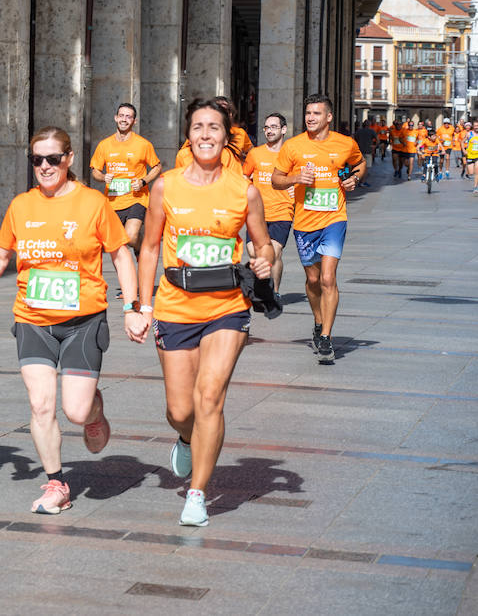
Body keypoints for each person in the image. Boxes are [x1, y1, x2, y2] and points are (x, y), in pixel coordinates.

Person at [0, 126, 138, 516]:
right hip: (32, 319)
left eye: (52, 158)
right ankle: (57, 483)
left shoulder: (93, 203)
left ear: (69, 159)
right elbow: (1, 254)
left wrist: (133, 306)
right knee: (41, 405)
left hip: (82, 321)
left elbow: (122, 256)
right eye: (36, 160)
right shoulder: (21, 206)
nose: (44, 166)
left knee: (75, 412)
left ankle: (94, 409)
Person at [135, 99, 273, 528]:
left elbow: (263, 243)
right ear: (188, 135)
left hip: (227, 307)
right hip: (176, 306)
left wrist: (265, 259)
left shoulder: (243, 190)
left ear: (226, 135)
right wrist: (142, 305)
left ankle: (197, 494)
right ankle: (185, 438)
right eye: (199, 127)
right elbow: (151, 247)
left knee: (209, 396)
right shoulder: (166, 186)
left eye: (215, 127)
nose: (206, 134)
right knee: (180, 409)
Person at [271, 95, 364, 364]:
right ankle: (317, 319)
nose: (310, 118)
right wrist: (295, 177)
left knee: (327, 278)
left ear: (329, 117)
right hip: (304, 223)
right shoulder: (293, 146)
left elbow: (359, 163)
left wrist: (354, 179)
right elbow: (277, 179)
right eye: (308, 113)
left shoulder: (345, 144)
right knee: (312, 281)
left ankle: (325, 337)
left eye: (316, 113)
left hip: (334, 219)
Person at [89, 103, 162, 256]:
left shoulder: (143, 144)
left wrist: (143, 181)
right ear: (116, 118)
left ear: (134, 121)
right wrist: (103, 177)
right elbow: (95, 171)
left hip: (137, 198)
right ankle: (136, 250)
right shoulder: (104, 145)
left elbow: (157, 167)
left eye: (128, 117)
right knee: (111, 243)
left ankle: (138, 245)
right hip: (113, 201)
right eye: (121, 116)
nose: (124, 119)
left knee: (130, 236)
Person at [243, 112, 294, 296]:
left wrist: (296, 188)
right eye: (266, 127)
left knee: (275, 251)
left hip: (282, 211)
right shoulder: (255, 154)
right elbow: (244, 177)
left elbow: (300, 178)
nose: (269, 131)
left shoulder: (291, 154)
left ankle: (275, 293)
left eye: (273, 127)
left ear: (283, 129)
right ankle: (262, 288)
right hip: (257, 213)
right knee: (254, 254)